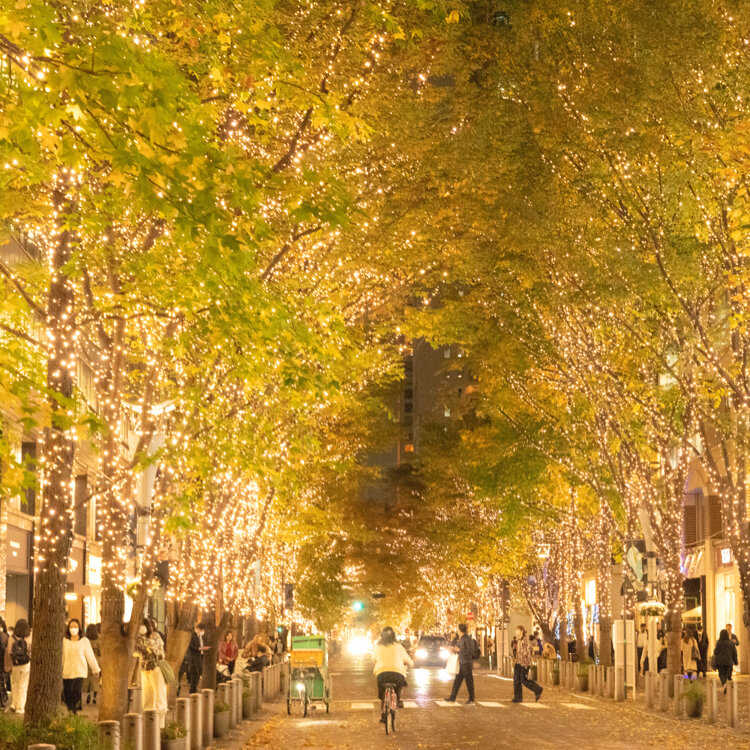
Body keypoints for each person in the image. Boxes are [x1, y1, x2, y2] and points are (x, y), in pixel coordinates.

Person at [62, 618, 99, 713]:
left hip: (80, 671)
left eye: (75, 626)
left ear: (79, 628)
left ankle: (74, 712)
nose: (73, 629)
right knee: (68, 693)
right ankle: (71, 711)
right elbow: (62, 656)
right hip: (67, 671)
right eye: (71, 627)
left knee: (75, 690)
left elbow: (90, 655)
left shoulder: (84, 641)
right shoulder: (65, 641)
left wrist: (95, 669)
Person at [372, 626, 413, 712]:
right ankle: (398, 699)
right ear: (394, 636)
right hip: (397, 674)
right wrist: (411, 664)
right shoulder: (399, 646)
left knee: (381, 694)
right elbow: (407, 660)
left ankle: (383, 708)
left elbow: (374, 658)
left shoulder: (378, 646)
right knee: (398, 687)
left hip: (382, 674)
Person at [135, 618, 167, 726]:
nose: (140, 628)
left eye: (142, 625)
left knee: (159, 695)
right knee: (147, 697)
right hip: (144, 670)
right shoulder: (139, 638)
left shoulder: (155, 636)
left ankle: (161, 724)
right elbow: (135, 652)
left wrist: (146, 645)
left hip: (156, 668)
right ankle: (149, 723)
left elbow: (159, 652)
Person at [445, 623, 477, 705]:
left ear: (460, 630)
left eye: (458, 628)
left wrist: (459, 650)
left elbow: (470, 651)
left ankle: (471, 699)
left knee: (469, 682)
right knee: (457, 681)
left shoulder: (467, 639)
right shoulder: (461, 639)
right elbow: (460, 649)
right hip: (461, 663)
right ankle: (452, 697)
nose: (457, 630)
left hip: (467, 663)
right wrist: (454, 649)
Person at [6, 619, 30, 714]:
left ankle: (14, 704)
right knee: (23, 685)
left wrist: (10, 664)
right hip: (26, 665)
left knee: (15, 684)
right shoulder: (29, 637)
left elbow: (9, 652)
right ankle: (20, 707)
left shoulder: (12, 638)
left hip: (15, 664)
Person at [512, 625, 542, 703]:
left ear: (521, 631)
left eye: (518, 630)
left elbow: (527, 653)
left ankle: (538, 689)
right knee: (516, 680)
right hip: (518, 662)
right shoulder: (519, 640)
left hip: (524, 663)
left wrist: (524, 664)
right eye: (516, 630)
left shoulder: (525, 641)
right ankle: (517, 697)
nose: (516, 632)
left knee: (524, 680)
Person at [187, 622, 209, 694]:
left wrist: (202, 648)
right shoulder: (193, 635)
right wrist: (199, 648)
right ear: (199, 629)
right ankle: (192, 690)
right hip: (193, 658)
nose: (203, 632)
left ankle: (195, 689)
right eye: (203, 630)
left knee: (198, 673)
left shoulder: (199, 636)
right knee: (194, 674)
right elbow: (191, 647)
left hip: (198, 657)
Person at [84, 623, 101, 705]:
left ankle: (88, 694)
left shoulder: (85, 641)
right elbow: (101, 652)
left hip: (86, 661)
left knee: (87, 679)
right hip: (96, 661)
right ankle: (94, 696)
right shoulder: (98, 641)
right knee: (95, 680)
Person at [0, 618, 8, 709]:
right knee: (2, 683)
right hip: (4, 662)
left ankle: (3, 701)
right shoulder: (6, 636)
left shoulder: (2, 636)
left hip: (2, 663)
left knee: (1, 683)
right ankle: (4, 701)